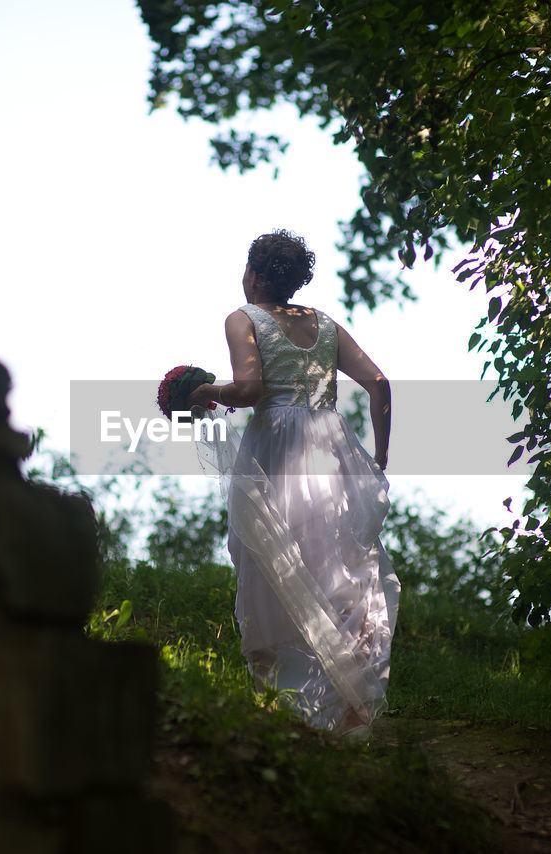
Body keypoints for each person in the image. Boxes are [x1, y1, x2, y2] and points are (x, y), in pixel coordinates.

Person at [188, 230, 399, 737]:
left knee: (273, 559)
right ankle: (347, 699)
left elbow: (250, 388)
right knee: (334, 562)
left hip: (278, 446)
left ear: (256, 275)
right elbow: (379, 383)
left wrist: (204, 391)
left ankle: (289, 696)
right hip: (331, 445)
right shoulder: (323, 324)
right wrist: (380, 455)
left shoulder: (243, 319)